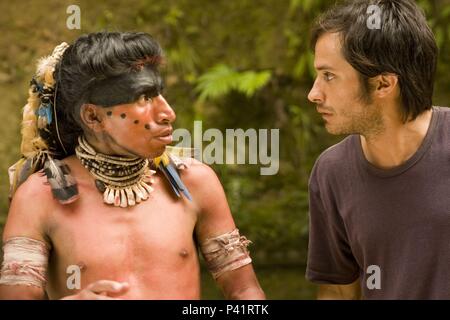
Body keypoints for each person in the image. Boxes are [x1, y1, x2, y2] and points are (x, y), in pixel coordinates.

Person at [0, 32, 265, 300]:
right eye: (143, 98)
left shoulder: (195, 182)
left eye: (159, 94)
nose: (168, 113)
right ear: (93, 116)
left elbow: (244, 291)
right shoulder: (38, 197)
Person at [305, 0, 449, 299]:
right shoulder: (331, 172)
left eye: (329, 75)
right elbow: (338, 291)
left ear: (383, 84)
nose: (313, 93)